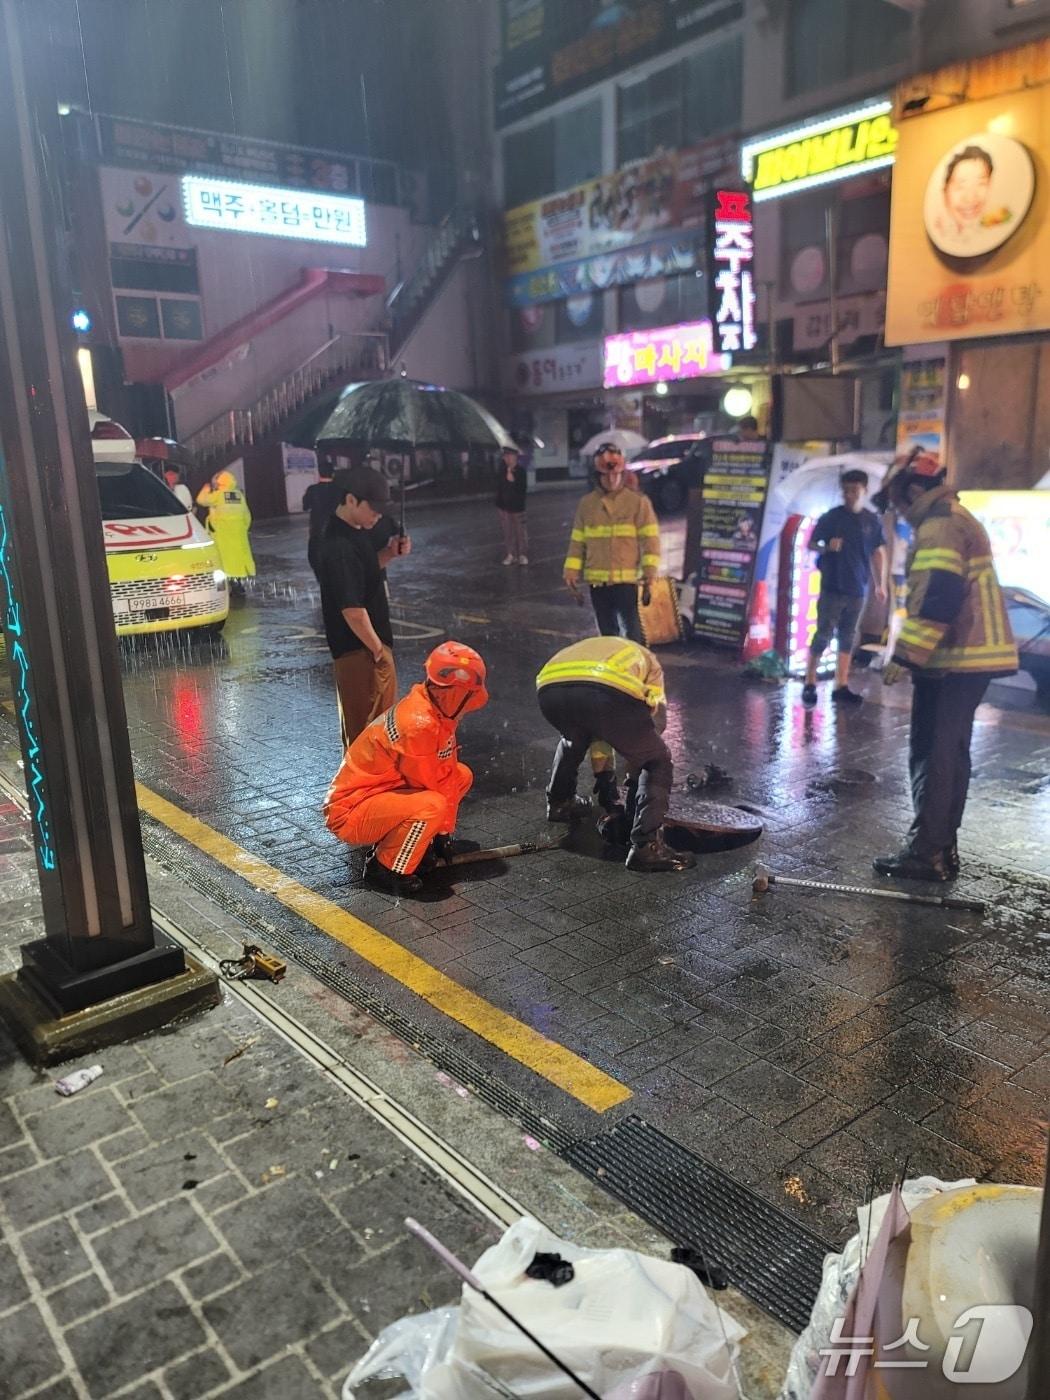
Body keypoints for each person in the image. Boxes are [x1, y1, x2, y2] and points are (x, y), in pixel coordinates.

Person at [871, 450, 1018, 882]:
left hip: (958, 657)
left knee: (933, 752)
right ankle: (941, 848)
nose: (897, 508)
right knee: (950, 752)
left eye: (897, 498)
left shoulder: (938, 527)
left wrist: (904, 655)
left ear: (914, 490)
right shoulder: (955, 517)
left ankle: (928, 853)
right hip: (966, 658)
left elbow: (938, 598)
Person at [325, 642, 488, 896]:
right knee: (431, 804)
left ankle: (410, 847)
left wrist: (440, 833)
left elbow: (444, 772)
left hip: (373, 797)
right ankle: (385, 869)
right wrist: (440, 830)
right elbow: (430, 783)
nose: (468, 708)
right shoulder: (420, 724)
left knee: (460, 775)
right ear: (453, 694)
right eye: (467, 699)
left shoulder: (436, 712)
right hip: (351, 812)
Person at [536, 636, 694, 874]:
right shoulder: (652, 665)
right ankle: (647, 848)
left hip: (549, 689)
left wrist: (605, 779)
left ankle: (560, 803)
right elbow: (653, 725)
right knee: (658, 759)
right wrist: (636, 773)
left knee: (574, 739)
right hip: (602, 691)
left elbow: (601, 729)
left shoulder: (606, 649)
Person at [317, 465, 411, 751]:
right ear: (350, 500)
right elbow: (352, 610)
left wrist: (389, 554)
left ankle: (368, 789)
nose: (379, 515)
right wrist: (378, 651)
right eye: (374, 508)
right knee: (367, 738)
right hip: (359, 653)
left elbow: (365, 572)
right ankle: (362, 793)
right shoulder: (338, 545)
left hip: (367, 651)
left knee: (375, 732)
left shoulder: (356, 531)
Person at [802, 469, 887, 707]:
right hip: (832, 585)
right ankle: (810, 681)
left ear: (865, 491)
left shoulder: (872, 520)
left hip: (858, 588)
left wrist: (880, 584)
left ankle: (841, 684)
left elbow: (877, 552)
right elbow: (811, 543)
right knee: (823, 634)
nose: (849, 495)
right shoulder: (831, 517)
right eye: (846, 491)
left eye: (855, 491)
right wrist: (827, 546)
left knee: (848, 636)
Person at [563, 443, 660, 642]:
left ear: (623, 473)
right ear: (597, 476)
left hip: (625, 582)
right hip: (598, 584)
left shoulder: (637, 502)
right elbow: (577, 542)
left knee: (634, 633)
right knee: (607, 637)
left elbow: (650, 540)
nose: (611, 479)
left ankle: (638, 670)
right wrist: (571, 572)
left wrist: (649, 573)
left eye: (616, 474)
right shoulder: (587, 504)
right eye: (606, 475)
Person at [195, 468, 255, 594]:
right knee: (238, 560)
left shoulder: (219, 494)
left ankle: (223, 589)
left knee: (222, 560)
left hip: (221, 533)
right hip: (238, 533)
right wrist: (242, 528)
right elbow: (247, 515)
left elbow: (201, 500)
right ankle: (238, 585)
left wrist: (206, 489)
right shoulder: (239, 495)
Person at [302, 459, 343, 578]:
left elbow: (305, 506)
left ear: (319, 473)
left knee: (316, 559)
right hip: (336, 529)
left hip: (317, 529)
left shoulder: (312, 490)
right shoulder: (339, 490)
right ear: (333, 474)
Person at [496, 443, 528, 565]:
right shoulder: (502, 470)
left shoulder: (521, 471)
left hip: (517, 507)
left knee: (520, 532)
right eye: (505, 456)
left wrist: (512, 480)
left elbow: (522, 489)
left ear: (515, 457)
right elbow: (499, 487)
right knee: (508, 532)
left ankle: (522, 555)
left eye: (509, 456)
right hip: (504, 507)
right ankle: (511, 554)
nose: (506, 459)